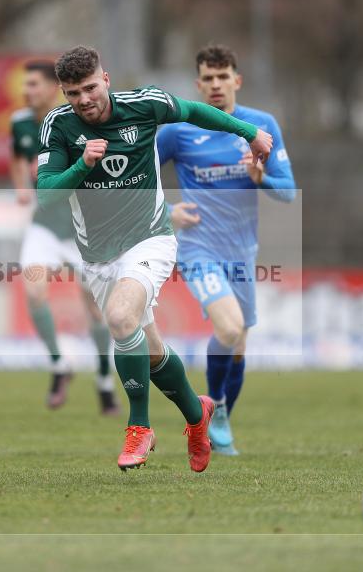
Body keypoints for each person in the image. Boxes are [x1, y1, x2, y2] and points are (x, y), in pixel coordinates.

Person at [36, 46, 272, 472]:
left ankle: (139, 426)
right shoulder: (58, 125)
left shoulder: (146, 104)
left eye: (90, 88)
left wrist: (247, 131)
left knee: (122, 318)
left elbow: (197, 113)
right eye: (73, 93)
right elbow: (48, 194)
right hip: (99, 255)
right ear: (63, 93)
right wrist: (82, 165)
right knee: (149, 348)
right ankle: (196, 415)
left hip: (151, 238)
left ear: (105, 79)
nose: (84, 100)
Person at [157, 45, 296, 456]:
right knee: (230, 327)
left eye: (223, 77)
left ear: (237, 80)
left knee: (238, 344)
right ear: (198, 85)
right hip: (198, 247)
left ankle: (220, 420)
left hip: (242, 252)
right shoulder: (179, 129)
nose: (216, 85)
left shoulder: (260, 125)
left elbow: (287, 192)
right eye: (208, 78)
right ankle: (212, 407)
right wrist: (166, 210)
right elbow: (136, 177)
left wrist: (261, 179)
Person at [9, 60, 117, 414]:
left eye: (34, 84)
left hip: (80, 229)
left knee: (96, 311)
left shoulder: (70, 120)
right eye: (25, 85)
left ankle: (104, 381)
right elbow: (16, 157)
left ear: (52, 89)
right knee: (34, 289)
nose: (28, 91)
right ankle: (59, 364)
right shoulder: (20, 122)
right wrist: (23, 187)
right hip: (44, 226)